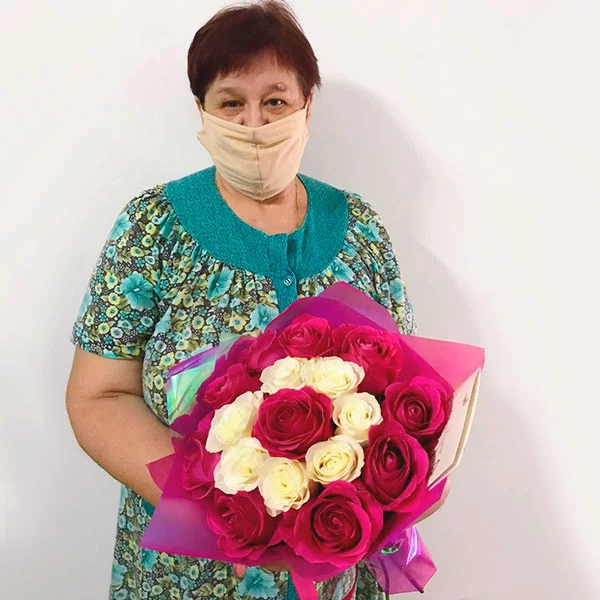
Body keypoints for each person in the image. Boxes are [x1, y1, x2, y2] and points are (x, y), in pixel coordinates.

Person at [66, 2, 447, 599]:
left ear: (307, 105)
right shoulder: (153, 227)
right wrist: (224, 510)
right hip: (190, 577)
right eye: (230, 103)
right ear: (202, 110)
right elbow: (98, 395)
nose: (253, 124)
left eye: (275, 100)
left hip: (337, 574)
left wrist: (399, 481)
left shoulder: (361, 229)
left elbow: (405, 390)